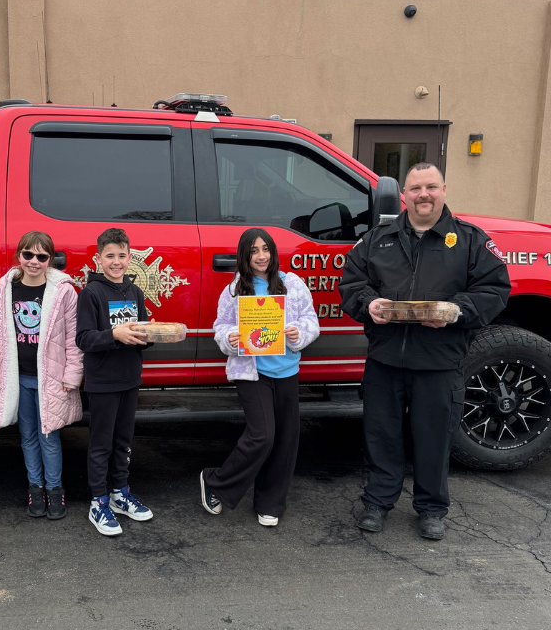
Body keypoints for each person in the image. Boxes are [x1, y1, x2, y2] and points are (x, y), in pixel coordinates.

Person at [339, 162, 511, 540]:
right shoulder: (378, 238)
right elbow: (352, 282)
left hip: (438, 361)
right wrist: (368, 304)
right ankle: (377, 502)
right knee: (381, 435)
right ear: (405, 195)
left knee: (434, 437)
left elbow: (496, 289)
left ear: (444, 189)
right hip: (384, 358)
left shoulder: (469, 240)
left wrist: (457, 311)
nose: (423, 195)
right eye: (415, 188)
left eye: (431, 187)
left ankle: (432, 509)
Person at [199, 228, 320, 525]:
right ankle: (215, 482)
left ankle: (269, 503)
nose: (261, 256)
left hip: (287, 371)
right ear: (245, 256)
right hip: (252, 373)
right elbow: (220, 327)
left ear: (273, 252)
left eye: (265, 249)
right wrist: (232, 337)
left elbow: (310, 320)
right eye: (254, 251)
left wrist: (298, 333)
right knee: (263, 436)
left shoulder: (292, 283)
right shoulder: (235, 290)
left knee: (286, 440)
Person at [0, 231, 83, 519]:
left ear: (50, 260)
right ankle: (35, 487)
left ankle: (55, 489)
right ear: (18, 255)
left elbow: (73, 338)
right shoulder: (4, 289)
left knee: (49, 437)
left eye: (41, 256)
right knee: (28, 436)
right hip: (19, 378)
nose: (34, 261)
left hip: (51, 380)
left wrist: (72, 375)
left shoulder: (64, 291)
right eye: (28, 254)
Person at [75, 227, 154, 536]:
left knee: (123, 441)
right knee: (101, 444)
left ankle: (120, 493)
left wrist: (151, 336)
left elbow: (142, 333)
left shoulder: (134, 292)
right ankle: (98, 501)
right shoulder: (91, 293)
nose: (117, 261)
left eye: (122, 255)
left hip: (129, 377)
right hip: (103, 381)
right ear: (98, 259)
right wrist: (114, 335)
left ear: (130, 258)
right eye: (110, 256)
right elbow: (84, 338)